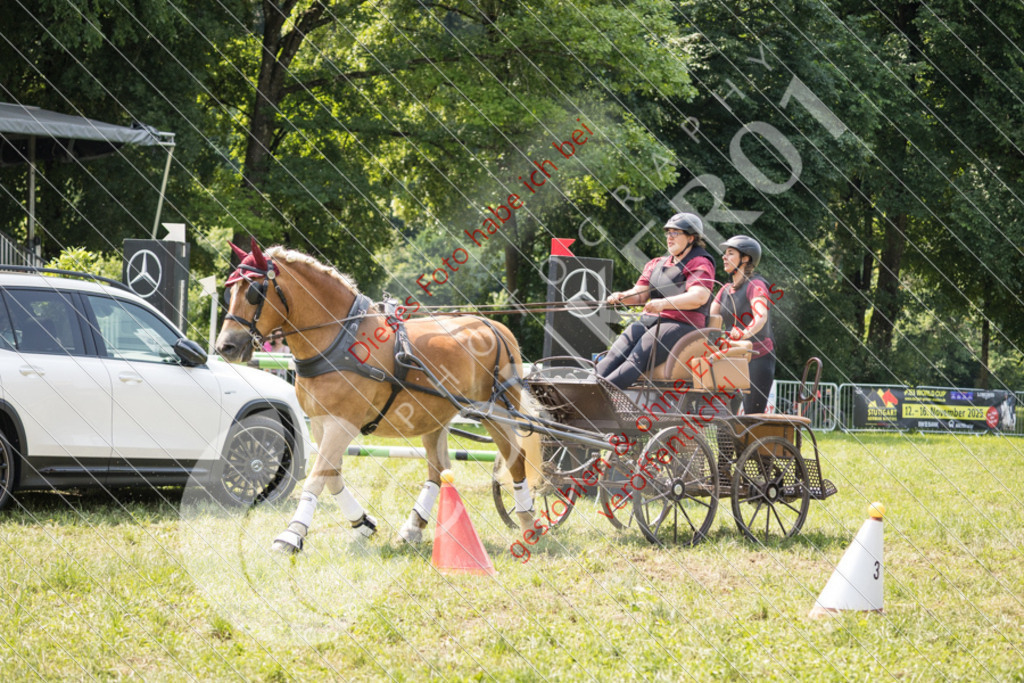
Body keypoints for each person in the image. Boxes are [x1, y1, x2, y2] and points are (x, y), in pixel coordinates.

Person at [596, 212, 715, 389]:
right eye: (668, 233)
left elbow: (699, 296)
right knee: (614, 354)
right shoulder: (656, 263)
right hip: (652, 320)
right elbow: (640, 294)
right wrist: (622, 297)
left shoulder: (699, 262)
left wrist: (663, 304)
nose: (669, 237)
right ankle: (586, 387)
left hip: (681, 324)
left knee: (635, 359)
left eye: (676, 233)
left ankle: (599, 395)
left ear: (691, 238)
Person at [710, 235, 776, 414]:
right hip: (732, 357)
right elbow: (709, 321)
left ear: (745, 258)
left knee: (752, 415)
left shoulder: (756, 285)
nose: (724, 257)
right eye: (725, 253)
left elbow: (760, 317)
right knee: (724, 414)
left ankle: (753, 442)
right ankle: (727, 443)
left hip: (758, 358)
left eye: (730, 253)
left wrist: (744, 333)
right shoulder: (724, 290)